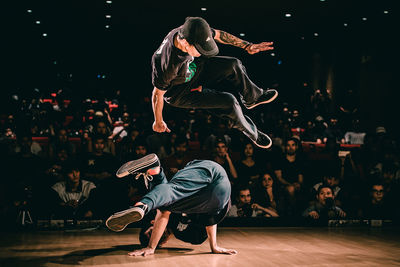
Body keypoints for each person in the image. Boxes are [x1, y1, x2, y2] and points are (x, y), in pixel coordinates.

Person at [151, 17, 278, 149]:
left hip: (194, 69)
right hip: (180, 93)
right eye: (199, 49)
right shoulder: (166, 64)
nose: (203, 52)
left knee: (233, 64)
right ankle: (252, 132)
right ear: (185, 43)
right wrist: (158, 121)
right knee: (229, 101)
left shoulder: (193, 30)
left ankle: (252, 97)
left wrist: (247, 46)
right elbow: (157, 94)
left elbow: (220, 35)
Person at [105, 154, 236, 256]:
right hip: (213, 195)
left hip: (208, 173)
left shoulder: (165, 212)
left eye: (149, 233)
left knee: (165, 203)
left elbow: (162, 214)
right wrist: (214, 246)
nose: (154, 235)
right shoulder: (181, 232)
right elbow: (210, 220)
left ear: (152, 223)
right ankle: (155, 172)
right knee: (167, 197)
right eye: (153, 237)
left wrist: (151, 247)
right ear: (165, 241)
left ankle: (143, 203)